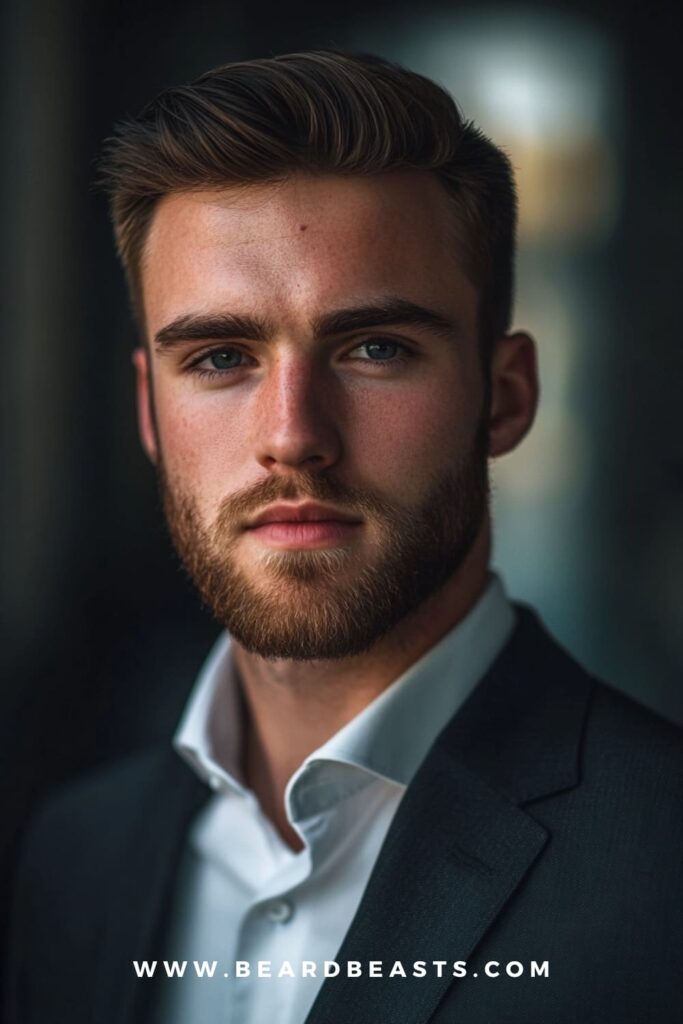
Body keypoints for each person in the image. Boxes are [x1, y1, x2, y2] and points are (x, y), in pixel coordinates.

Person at [5, 51, 682, 1024]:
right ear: (149, 413)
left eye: (374, 349)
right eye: (221, 356)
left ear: (504, 396)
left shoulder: (659, 863)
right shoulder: (72, 857)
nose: (292, 436)